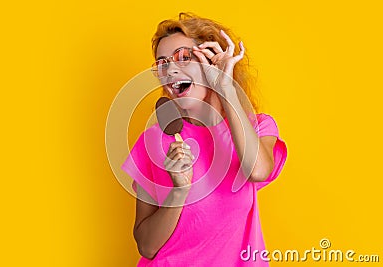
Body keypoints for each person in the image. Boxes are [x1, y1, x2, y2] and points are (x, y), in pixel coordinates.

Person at [122, 13, 287, 266]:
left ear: (211, 61)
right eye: (162, 63)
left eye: (184, 57)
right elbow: (146, 246)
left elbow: (258, 171)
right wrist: (179, 192)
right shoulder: (153, 141)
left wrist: (225, 87)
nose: (170, 69)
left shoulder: (257, 127)